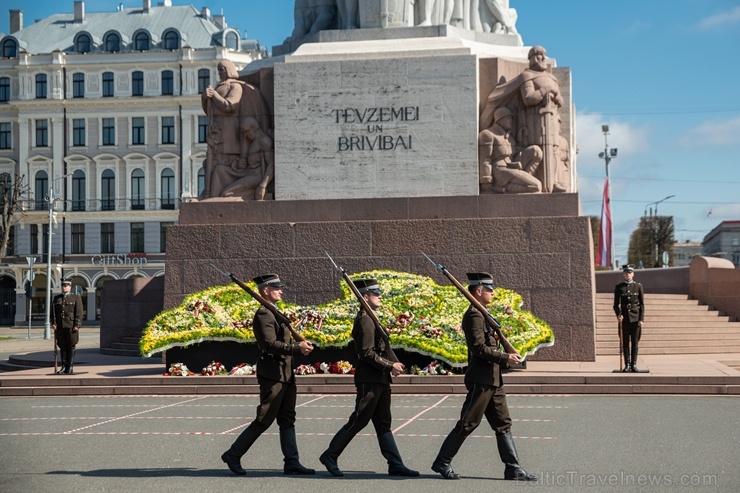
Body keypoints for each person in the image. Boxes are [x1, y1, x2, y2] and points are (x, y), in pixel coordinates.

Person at [431, 272, 536, 481]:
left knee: (503, 423)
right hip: (481, 379)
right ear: (478, 291)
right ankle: (442, 462)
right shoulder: (473, 315)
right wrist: (505, 357)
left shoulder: (483, 313)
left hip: (494, 380)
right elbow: (478, 348)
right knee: (468, 422)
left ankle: (512, 468)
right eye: (489, 289)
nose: (493, 292)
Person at [319, 278, 419, 478]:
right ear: (365, 296)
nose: (380, 296)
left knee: (383, 423)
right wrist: (391, 365)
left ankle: (395, 464)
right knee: (358, 420)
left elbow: (383, 348)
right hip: (370, 380)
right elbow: (366, 353)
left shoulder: (371, 317)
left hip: (380, 379)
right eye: (375, 293)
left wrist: (393, 365)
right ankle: (330, 455)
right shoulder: (365, 319)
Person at [221, 274, 315, 476]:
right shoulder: (264, 314)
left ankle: (292, 462)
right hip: (273, 374)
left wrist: (297, 347)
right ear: (265, 290)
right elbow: (270, 345)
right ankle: (233, 454)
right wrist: (297, 348)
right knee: (264, 418)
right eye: (277, 287)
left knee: (288, 419)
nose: (281, 290)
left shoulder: (274, 312)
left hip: (286, 373)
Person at [478, 106, 542, 193]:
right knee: (536, 186)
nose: (511, 121)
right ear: (500, 119)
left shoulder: (509, 137)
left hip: (512, 166)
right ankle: (501, 189)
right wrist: (486, 180)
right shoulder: (488, 134)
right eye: (508, 118)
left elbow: (514, 153)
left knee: (536, 151)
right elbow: (485, 159)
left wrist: (520, 139)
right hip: (501, 171)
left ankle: (523, 179)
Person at [613, 264, 645, 372]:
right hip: (624, 319)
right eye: (626, 272)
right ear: (623, 274)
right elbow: (615, 305)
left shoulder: (638, 286)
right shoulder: (619, 287)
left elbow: (642, 304)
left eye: (630, 272)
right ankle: (627, 365)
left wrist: (641, 319)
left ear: (633, 274)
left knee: (635, 342)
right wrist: (618, 314)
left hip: (635, 318)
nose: (628, 274)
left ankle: (634, 364)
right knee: (625, 342)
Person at [51, 279, 84, 375]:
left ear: (70, 287)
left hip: (71, 325)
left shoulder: (75, 297)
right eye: (62, 286)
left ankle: (70, 367)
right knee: (62, 346)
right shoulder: (57, 298)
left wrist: (77, 325)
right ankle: (64, 366)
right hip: (60, 326)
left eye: (66, 286)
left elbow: (79, 312)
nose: (64, 287)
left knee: (71, 346)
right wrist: (53, 322)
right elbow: (53, 313)